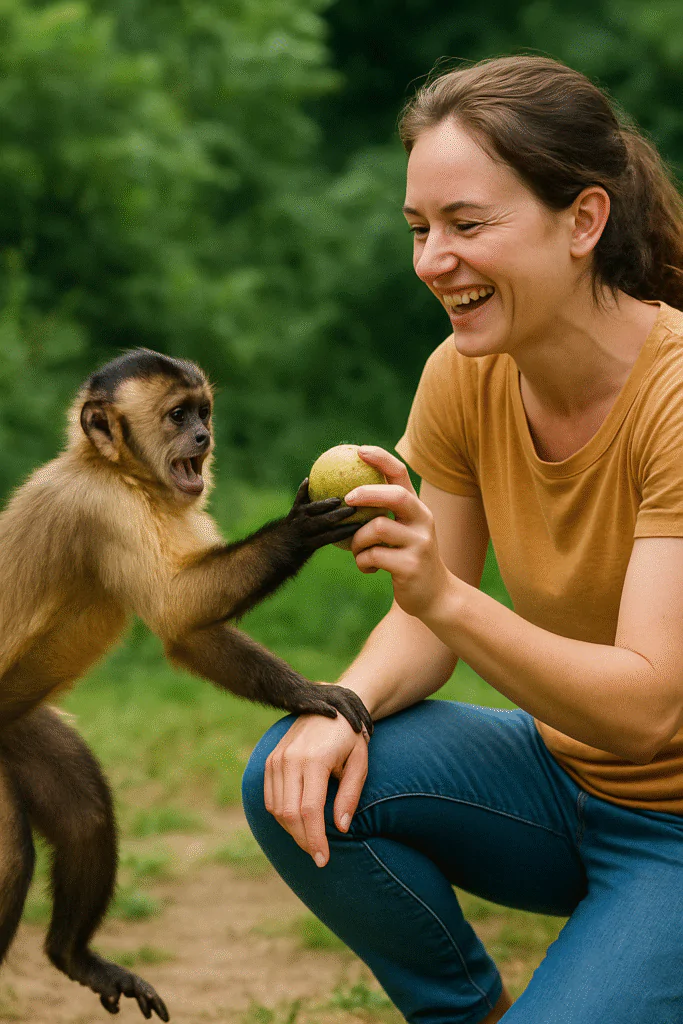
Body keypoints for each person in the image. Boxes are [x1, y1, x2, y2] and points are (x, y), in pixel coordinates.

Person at [241, 54, 683, 1023]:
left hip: (675, 830)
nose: (430, 261)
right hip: (561, 784)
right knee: (296, 769)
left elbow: (648, 709)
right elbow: (423, 625)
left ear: (582, 221)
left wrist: (442, 593)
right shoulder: (462, 373)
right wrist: (344, 706)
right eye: (419, 228)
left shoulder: (674, 397)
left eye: (466, 225)